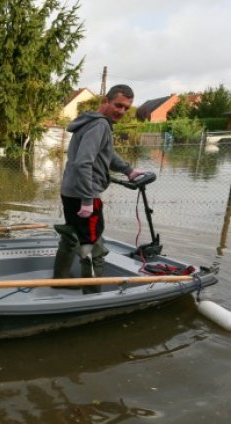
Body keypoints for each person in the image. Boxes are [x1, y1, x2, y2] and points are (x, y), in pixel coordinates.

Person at [53, 84, 146, 290]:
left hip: (70, 190)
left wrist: (128, 170)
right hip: (85, 194)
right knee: (93, 243)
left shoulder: (89, 122)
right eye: (118, 105)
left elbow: (106, 153)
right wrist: (87, 199)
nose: (121, 111)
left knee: (71, 234)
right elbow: (83, 163)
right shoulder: (100, 125)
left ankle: (60, 279)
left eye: (126, 108)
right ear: (105, 101)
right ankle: (93, 291)